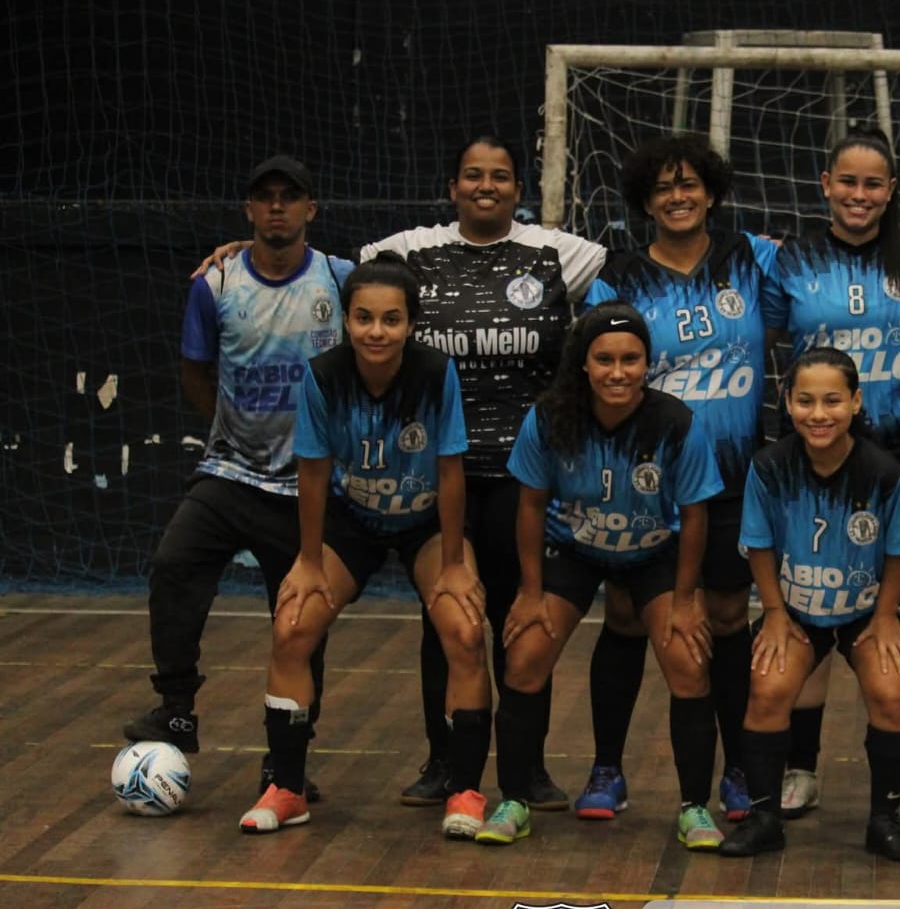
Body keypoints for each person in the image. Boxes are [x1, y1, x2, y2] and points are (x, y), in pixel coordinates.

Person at [195, 136, 607, 813]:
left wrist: (451, 559)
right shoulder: (394, 275)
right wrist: (246, 253)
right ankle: (337, 780)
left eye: (500, 176)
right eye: (471, 174)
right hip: (385, 502)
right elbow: (322, 271)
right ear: (451, 186)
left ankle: (509, 778)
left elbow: (626, 289)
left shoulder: (552, 259)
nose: (377, 329)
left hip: (500, 479)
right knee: (337, 622)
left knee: (485, 620)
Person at [125, 156, 352, 802]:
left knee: (301, 623)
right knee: (173, 564)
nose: (277, 207)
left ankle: (286, 762)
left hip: (306, 486)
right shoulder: (217, 283)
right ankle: (176, 707)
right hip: (230, 472)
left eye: (290, 197)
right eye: (265, 198)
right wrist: (232, 423)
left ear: (311, 208)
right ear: (249, 211)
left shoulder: (341, 279)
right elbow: (196, 372)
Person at [240, 253, 489, 836]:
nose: (377, 331)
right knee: (292, 625)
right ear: (347, 321)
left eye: (391, 319)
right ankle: (287, 788)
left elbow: (452, 471)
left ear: (410, 324)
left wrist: (454, 563)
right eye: (364, 318)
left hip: (424, 520)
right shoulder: (324, 375)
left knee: (465, 630)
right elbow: (313, 472)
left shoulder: (434, 373)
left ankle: (465, 792)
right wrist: (307, 560)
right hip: (354, 519)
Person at [570, 134, 781, 822]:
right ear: (645, 201)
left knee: (723, 618)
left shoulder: (753, 258)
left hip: (728, 481)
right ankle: (607, 768)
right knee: (628, 615)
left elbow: (834, 271)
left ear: (711, 192)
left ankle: (740, 770)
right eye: (663, 187)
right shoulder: (617, 279)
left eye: (689, 183)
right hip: (644, 484)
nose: (678, 196)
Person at [761, 128, 900, 820]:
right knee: (810, 606)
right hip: (814, 454)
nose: (859, 194)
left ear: (891, 191)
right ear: (825, 184)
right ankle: (799, 768)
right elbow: (770, 338)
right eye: (847, 181)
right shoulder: (788, 261)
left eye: (874, 183)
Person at [500, 302, 726, 850]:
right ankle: (512, 800)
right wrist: (530, 594)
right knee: (526, 652)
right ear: (584, 363)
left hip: (651, 553)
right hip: (574, 548)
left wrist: (685, 598)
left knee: (687, 659)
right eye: (605, 359)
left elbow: (695, 514)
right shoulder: (550, 417)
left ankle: (695, 807)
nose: (618, 371)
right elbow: (530, 506)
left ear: (648, 362)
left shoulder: (677, 423)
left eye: (631, 359)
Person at [718, 347, 900, 861]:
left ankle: (886, 820)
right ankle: (765, 819)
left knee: (893, 691)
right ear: (787, 403)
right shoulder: (769, 468)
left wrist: (884, 618)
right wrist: (776, 615)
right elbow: (758, 546)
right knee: (766, 689)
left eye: (832, 400)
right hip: (797, 610)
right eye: (805, 400)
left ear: (855, 402)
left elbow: (898, 552)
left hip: (863, 611)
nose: (818, 413)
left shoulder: (883, 471)